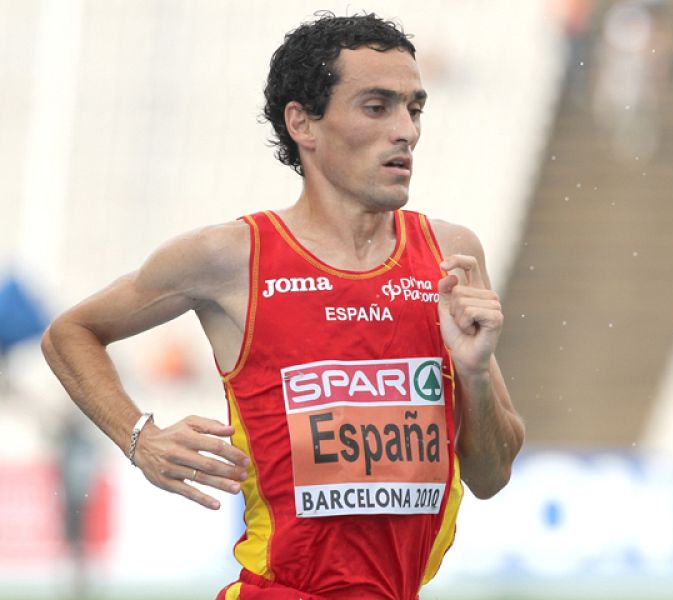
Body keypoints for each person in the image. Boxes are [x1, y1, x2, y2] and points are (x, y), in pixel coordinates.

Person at [41, 12, 524, 600]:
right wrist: (140, 437)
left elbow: (492, 476)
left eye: (414, 108)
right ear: (303, 123)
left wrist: (472, 375)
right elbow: (71, 332)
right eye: (377, 107)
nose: (407, 131)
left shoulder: (450, 255)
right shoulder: (230, 258)